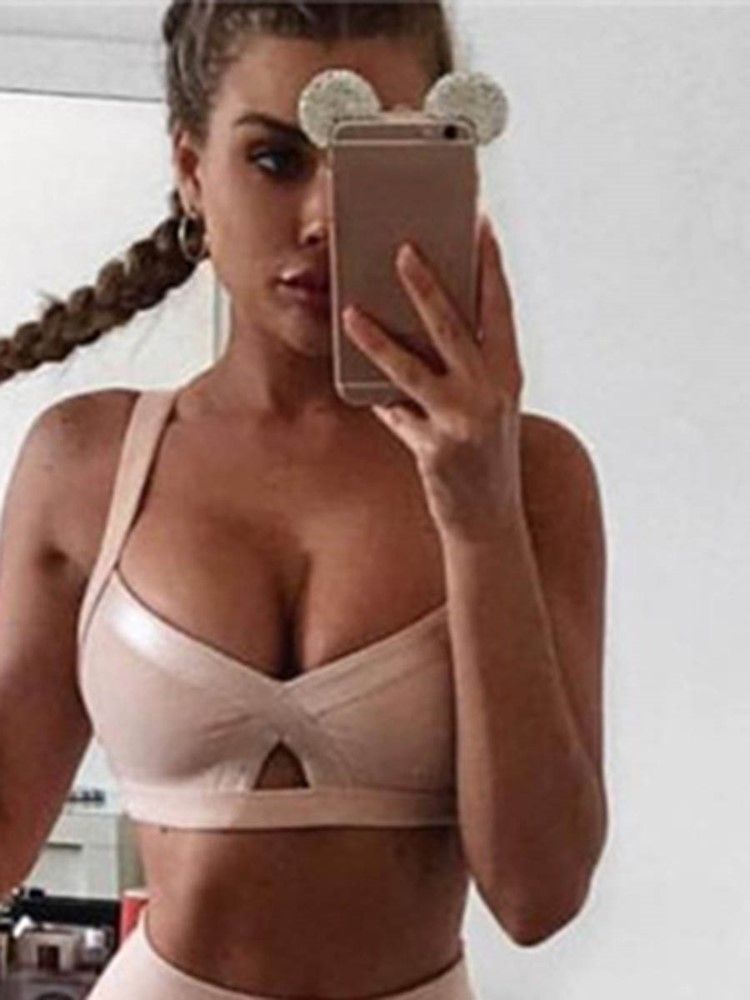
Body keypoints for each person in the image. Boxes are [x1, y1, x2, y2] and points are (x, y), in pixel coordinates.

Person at [0, 2, 609, 998]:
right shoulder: (85, 465)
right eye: (276, 159)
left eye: (373, 162)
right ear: (192, 168)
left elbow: (538, 895)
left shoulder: (534, 476)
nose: (325, 216)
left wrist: (478, 511)